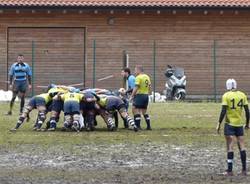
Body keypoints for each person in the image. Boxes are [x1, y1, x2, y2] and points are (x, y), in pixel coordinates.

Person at [216, 79, 249, 176]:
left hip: (229, 124)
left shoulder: (226, 95)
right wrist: (247, 123)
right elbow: (247, 111)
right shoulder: (242, 95)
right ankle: (244, 170)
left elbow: (223, 111)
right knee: (242, 146)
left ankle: (229, 170)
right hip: (239, 125)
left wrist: (218, 123)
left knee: (230, 146)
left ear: (227, 86)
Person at [130, 65, 151, 130]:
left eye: (135, 70)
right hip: (146, 95)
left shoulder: (138, 77)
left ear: (139, 70)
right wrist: (147, 93)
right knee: (144, 112)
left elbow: (136, 87)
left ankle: (138, 126)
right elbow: (149, 86)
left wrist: (132, 96)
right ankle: (148, 126)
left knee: (135, 110)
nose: (135, 71)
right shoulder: (147, 76)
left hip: (140, 95)